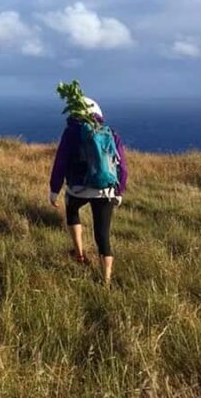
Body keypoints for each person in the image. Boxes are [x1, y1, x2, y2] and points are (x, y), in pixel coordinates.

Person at [47, 97, 127, 285]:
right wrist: (119, 190)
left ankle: (79, 254)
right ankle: (106, 280)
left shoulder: (71, 132)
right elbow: (122, 166)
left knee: (72, 210)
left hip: (78, 189)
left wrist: (54, 189)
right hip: (106, 190)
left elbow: (61, 162)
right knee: (102, 234)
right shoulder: (110, 133)